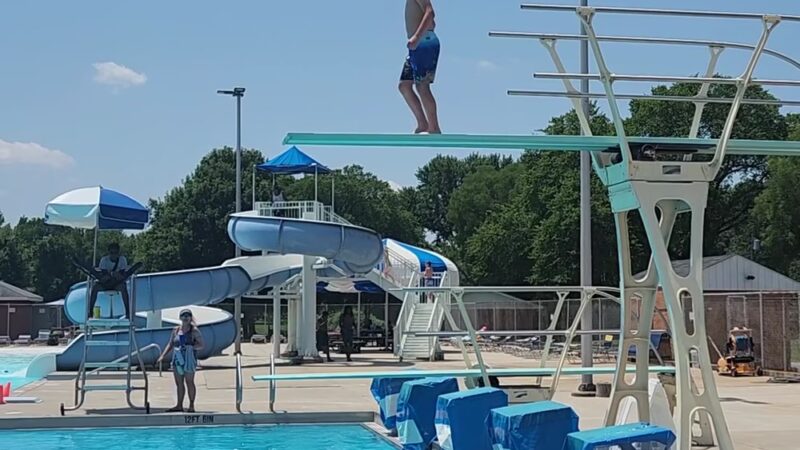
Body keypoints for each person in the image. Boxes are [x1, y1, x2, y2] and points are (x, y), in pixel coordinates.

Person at [399, 0, 441, 134]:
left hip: (424, 43)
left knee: (422, 86)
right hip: (416, 48)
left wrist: (416, 37)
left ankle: (434, 127)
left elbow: (430, 13)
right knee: (404, 85)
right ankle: (423, 124)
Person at [157, 309, 205, 413]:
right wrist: (163, 355)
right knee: (179, 382)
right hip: (178, 359)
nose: (185, 317)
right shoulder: (176, 330)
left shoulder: (194, 331)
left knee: (189, 381)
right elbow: (170, 344)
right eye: (183, 315)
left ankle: (191, 405)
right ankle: (179, 405)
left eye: (188, 315)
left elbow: (201, 345)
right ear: (180, 318)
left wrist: (190, 347)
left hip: (188, 359)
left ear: (190, 318)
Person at [88, 242, 130, 319]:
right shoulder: (104, 260)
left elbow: (121, 275)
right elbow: (104, 275)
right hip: (105, 284)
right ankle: (90, 312)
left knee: (124, 289)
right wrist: (112, 274)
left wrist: (113, 275)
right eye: (111, 252)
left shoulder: (122, 260)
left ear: (118, 253)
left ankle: (128, 312)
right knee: (95, 288)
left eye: (115, 253)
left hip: (117, 284)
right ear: (109, 253)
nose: (113, 254)